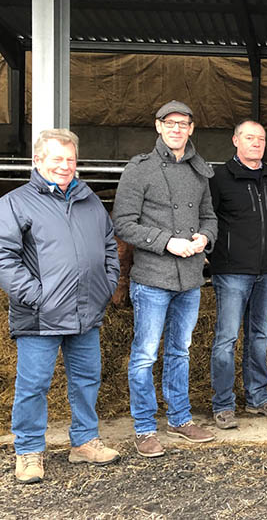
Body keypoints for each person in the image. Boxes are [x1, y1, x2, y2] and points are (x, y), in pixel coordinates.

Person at [0, 129, 120, 483]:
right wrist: (36, 295)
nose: (65, 166)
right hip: (40, 314)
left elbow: (110, 247)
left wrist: (106, 285)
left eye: (70, 160)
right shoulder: (16, 202)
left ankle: (84, 442)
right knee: (34, 384)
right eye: (57, 159)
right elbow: (5, 258)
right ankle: (29, 451)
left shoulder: (90, 201)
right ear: (38, 161)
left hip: (86, 311)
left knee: (86, 379)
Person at [113, 100, 218, 457]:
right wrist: (165, 242)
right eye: (170, 123)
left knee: (180, 351)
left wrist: (205, 237)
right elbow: (122, 222)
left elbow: (209, 216)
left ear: (191, 129)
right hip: (153, 276)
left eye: (183, 124)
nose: (177, 129)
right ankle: (144, 428)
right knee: (144, 354)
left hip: (190, 279)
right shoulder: (139, 169)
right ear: (158, 126)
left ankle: (179, 417)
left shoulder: (198, 171)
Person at [207, 120, 267, 429]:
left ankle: (258, 397)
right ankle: (224, 404)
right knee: (226, 338)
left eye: (261, 139)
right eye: (250, 137)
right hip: (231, 271)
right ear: (235, 141)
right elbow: (209, 219)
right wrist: (215, 255)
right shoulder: (220, 178)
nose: (256, 143)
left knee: (259, 336)